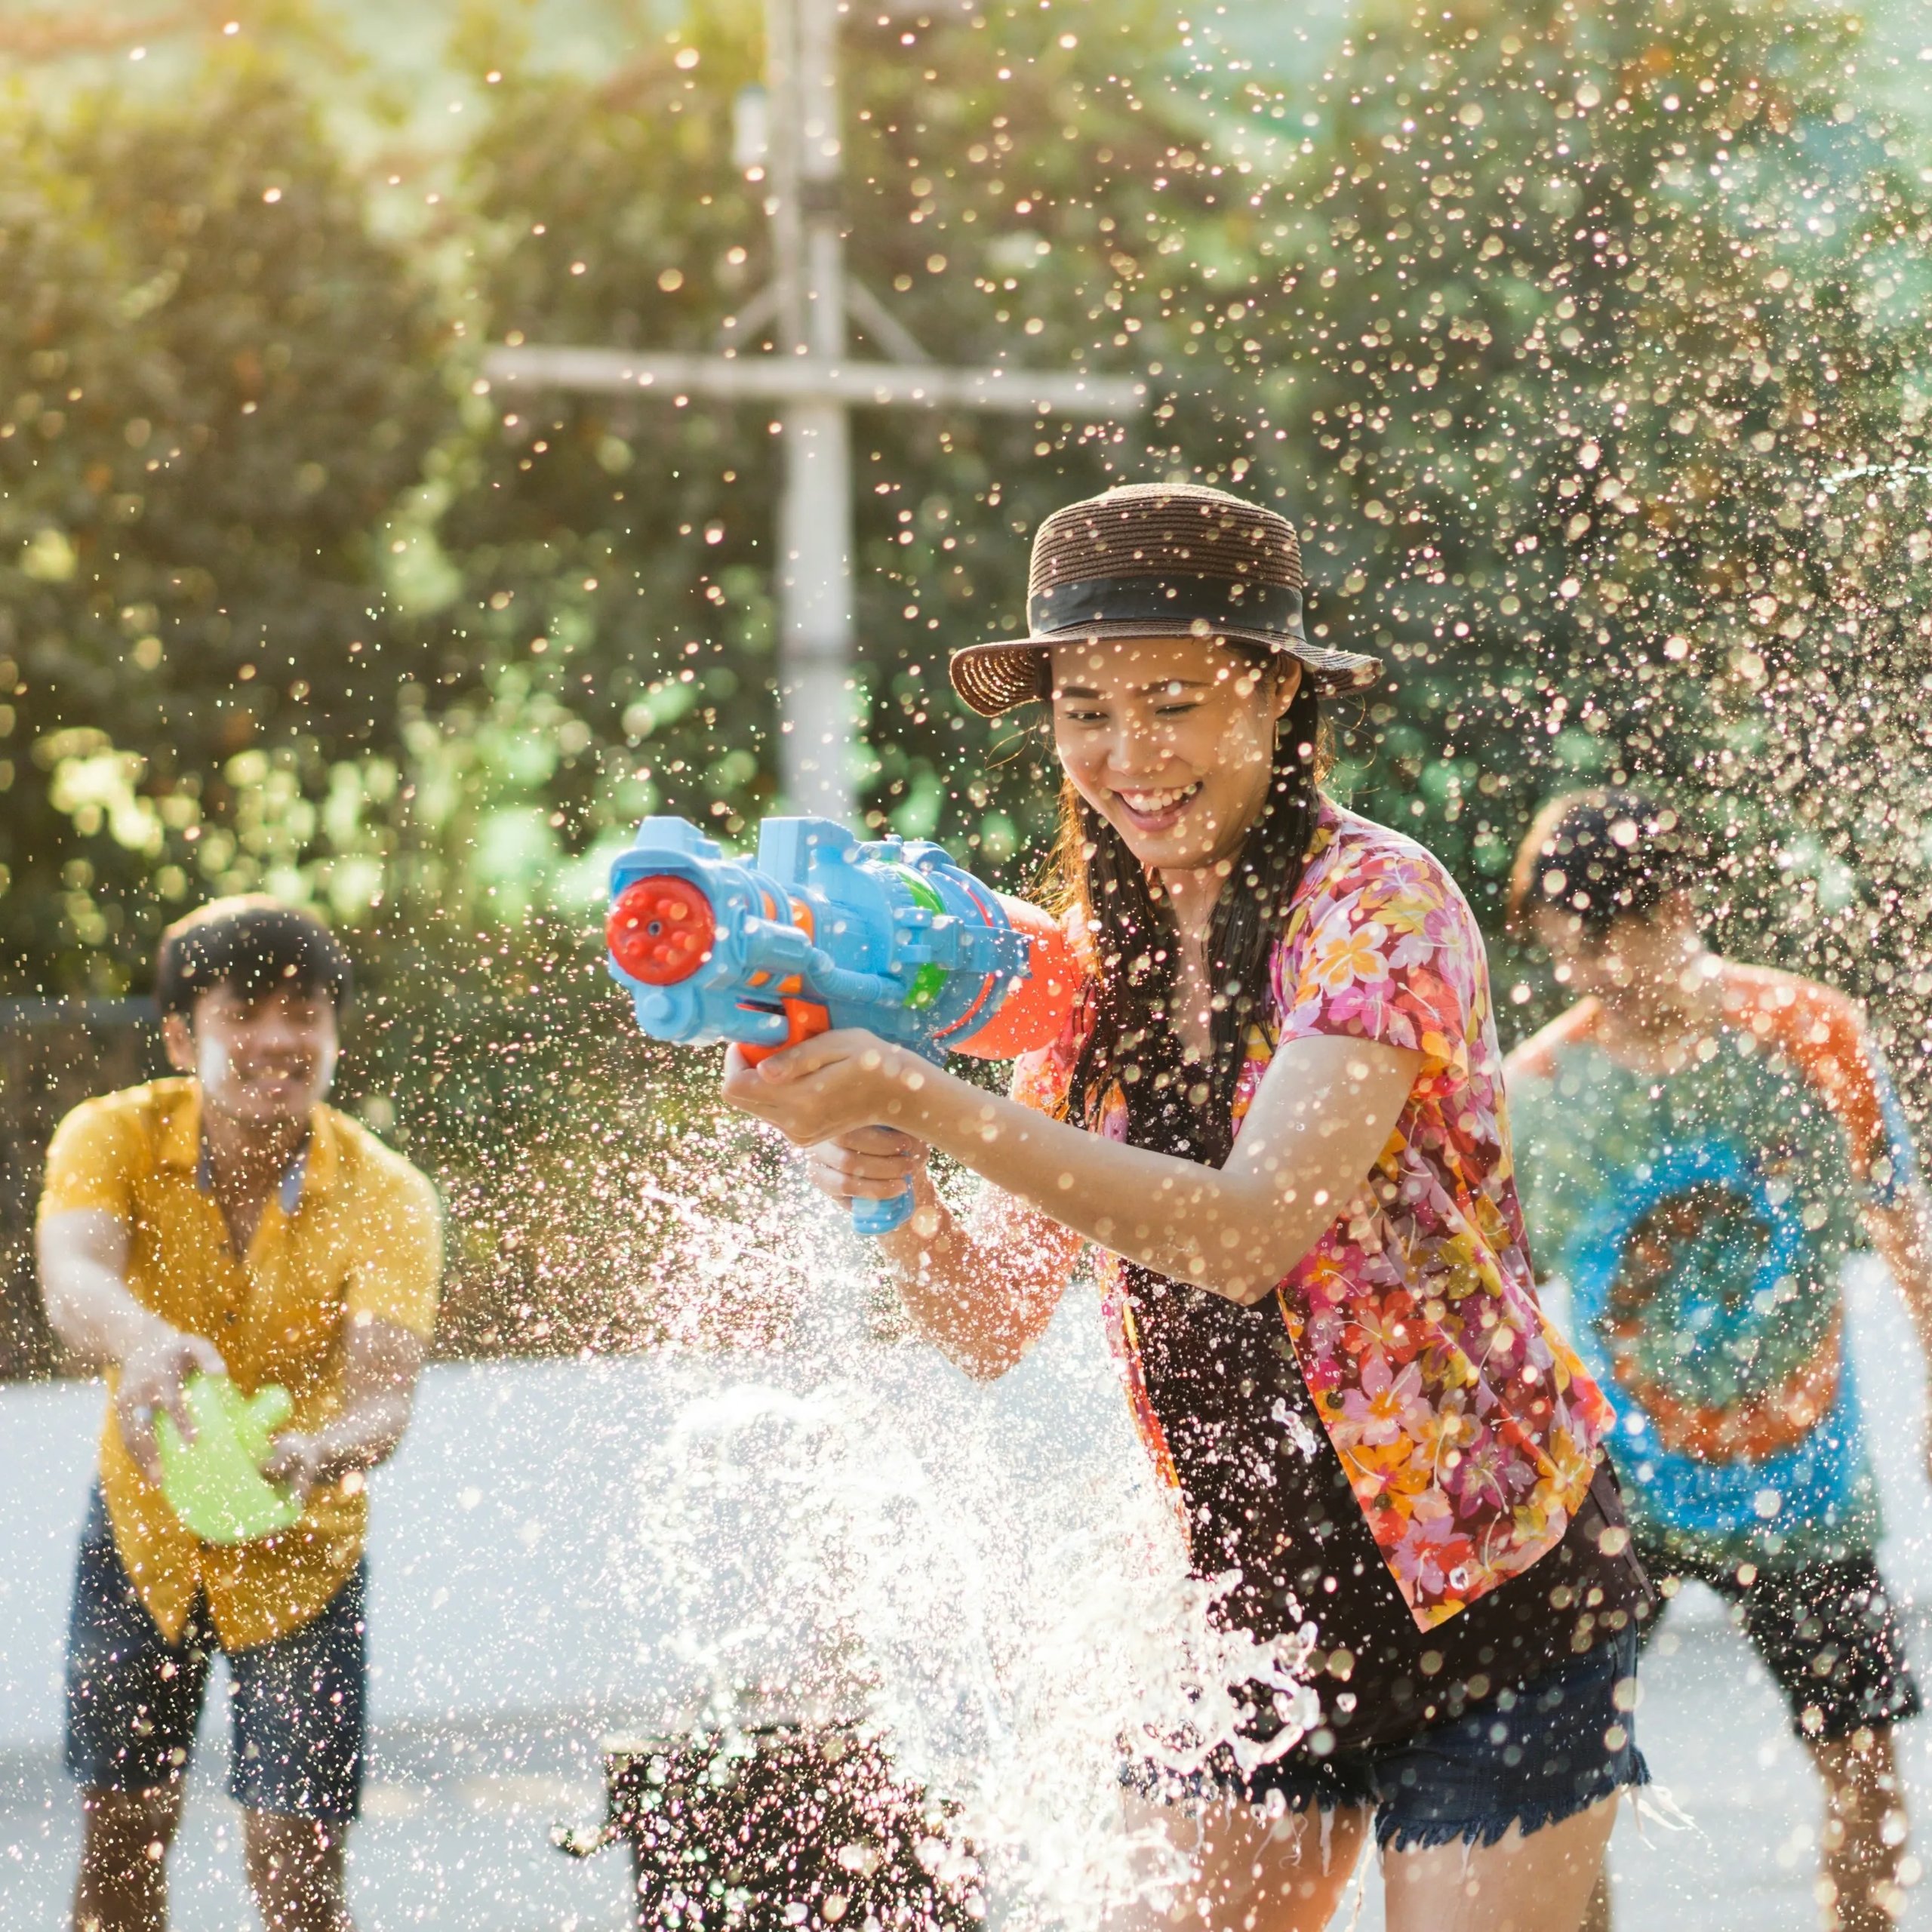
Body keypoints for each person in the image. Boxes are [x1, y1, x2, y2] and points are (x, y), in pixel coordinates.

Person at [722, 482, 1651, 1932]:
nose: (1129, 756)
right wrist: (892, 1175)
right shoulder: (1085, 976)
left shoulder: (1377, 906)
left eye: (1173, 702)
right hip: (1254, 1607)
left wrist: (927, 1094)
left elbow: (1247, 1232)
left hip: (1495, 1587)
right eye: (1086, 709)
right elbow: (979, 1322)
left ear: (1276, 691)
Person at [1503, 790, 1930, 1932]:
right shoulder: (1536, 1095)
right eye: (1561, 954)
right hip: (1619, 1495)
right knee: (1563, 1781)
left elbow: (1902, 1226)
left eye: (1601, 945)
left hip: (1808, 1489)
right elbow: (1497, 1303)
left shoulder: (1814, 1034)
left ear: (1677, 907)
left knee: (1865, 1772)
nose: (1584, 976)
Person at [38, 897, 444, 1932]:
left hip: (304, 1552)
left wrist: (317, 1452)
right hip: (143, 1535)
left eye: (305, 1013)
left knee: (295, 1871)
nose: (277, 1039)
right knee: (122, 1839)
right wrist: (146, 1344)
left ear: (336, 1034)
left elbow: (385, 1403)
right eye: (244, 1012)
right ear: (182, 1034)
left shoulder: (388, 1193)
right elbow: (70, 1274)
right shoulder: (111, 1135)